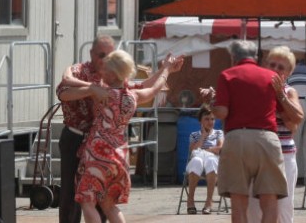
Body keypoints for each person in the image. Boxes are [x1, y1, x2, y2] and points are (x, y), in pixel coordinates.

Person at [55, 36, 181, 223]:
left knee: (86, 200)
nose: (104, 62)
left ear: (113, 73)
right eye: (102, 55)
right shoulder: (132, 94)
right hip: (118, 153)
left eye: (109, 57)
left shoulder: (105, 91)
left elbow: (68, 81)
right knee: (108, 205)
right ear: (91, 54)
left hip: (96, 151)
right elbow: (152, 88)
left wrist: (87, 86)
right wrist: (167, 70)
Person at [204, 40, 288, 223]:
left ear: (233, 57)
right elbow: (283, 110)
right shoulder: (271, 76)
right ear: (256, 57)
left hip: (237, 139)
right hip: (267, 139)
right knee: (270, 199)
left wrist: (211, 104)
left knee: (239, 201)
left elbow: (223, 112)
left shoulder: (227, 75)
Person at [247, 45, 304, 223]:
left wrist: (280, 96)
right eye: (273, 65)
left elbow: (297, 118)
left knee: (284, 206)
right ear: (265, 65)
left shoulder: (289, 91)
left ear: (288, 73)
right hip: (257, 153)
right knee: (253, 207)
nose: (276, 69)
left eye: (281, 67)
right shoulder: (255, 89)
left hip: (283, 155)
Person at [186, 105, 224, 215]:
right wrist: (203, 136)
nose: (210, 122)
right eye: (206, 119)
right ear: (200, 121)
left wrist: (206, 150)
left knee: (211, 160)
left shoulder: (218, 133)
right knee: (196, 160)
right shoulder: (194, 135)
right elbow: (193, 149)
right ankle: (190, 201)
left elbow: (219, 149)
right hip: (198, 160)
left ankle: (209, 202)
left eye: (212, 119)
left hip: (212, 160)